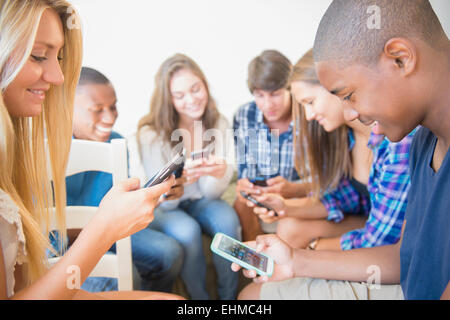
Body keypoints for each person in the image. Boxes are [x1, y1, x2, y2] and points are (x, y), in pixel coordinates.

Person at [233, 0, 449, 300]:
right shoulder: (423, 143)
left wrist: (311, 247)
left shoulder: (404, 142)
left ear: (400, 59)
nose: (349, 115)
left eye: (349, 95)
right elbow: (401, 256)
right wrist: (295, 260)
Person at [0, 0, 182, 300]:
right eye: (38, 56)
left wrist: (145, 202)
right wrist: (104, 227)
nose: (58, 77)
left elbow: (21, 287)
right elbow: (57, 238)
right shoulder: (45, 152)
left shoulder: (115, 143)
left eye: (58, 58)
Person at [246, 49, 413, 251]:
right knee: (289, 226)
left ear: (337, 87)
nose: (308, 116)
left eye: (310, 102)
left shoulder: (396, 140)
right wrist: (286, 207)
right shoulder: (344, 137)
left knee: (290, 237)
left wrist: (314, 248)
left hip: (383, 238)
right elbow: (345, 198)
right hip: (367, 222)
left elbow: (381, 238)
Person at [48, 66, 183, 293]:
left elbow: (115, 200)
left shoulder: (116, 142)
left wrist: (154, 196)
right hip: (59, 245)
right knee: (120, 280)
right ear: (67, 107)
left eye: (113, 107)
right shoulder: (45, 149)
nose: (110, 118)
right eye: (97, 109)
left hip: (106, 228)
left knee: (169, 252)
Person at [134, 53, 241, 300]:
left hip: (203, 198)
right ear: (168, 99)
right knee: (188, 231)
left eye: (196, 89)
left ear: (205, 85)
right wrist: (180, 182)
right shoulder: (151, 134)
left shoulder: (219, 123)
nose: (192, 100)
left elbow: (211, 193)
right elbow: (165, 201)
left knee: (227, 221)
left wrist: (220, 171)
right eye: (180, 96)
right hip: (167, 207)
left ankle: (229, 298)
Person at [233, 50, 309, 241]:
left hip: (300, 196)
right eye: (260, 95)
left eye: (275, 94)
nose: (268, 104)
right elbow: (245, 169)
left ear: (289, 88)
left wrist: (292, 189)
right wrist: (245, 185)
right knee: (241, 205)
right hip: (261, 195)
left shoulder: (310, 112)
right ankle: (258, 265)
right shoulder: (244, 115)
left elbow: (326, 181)